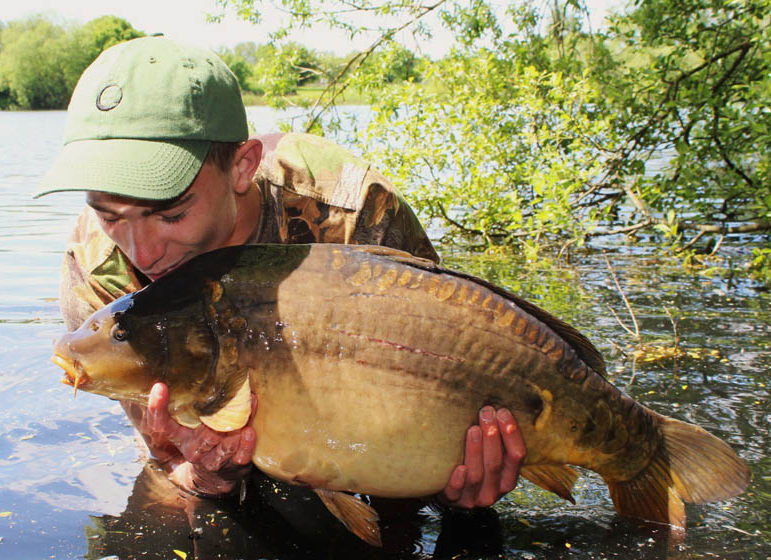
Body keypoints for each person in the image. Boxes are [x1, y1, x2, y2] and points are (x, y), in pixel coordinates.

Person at [38, 36, 526, 510]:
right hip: (244, 444)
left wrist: (451, 481)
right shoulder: (96, 271)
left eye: (171, 214)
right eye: (110, 215)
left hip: (375, 426)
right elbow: (170, 462)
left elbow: (453, 365)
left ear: (242, 166)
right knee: (173, 509)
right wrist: (205, 475)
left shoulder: (352, 212)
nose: (141, 251)